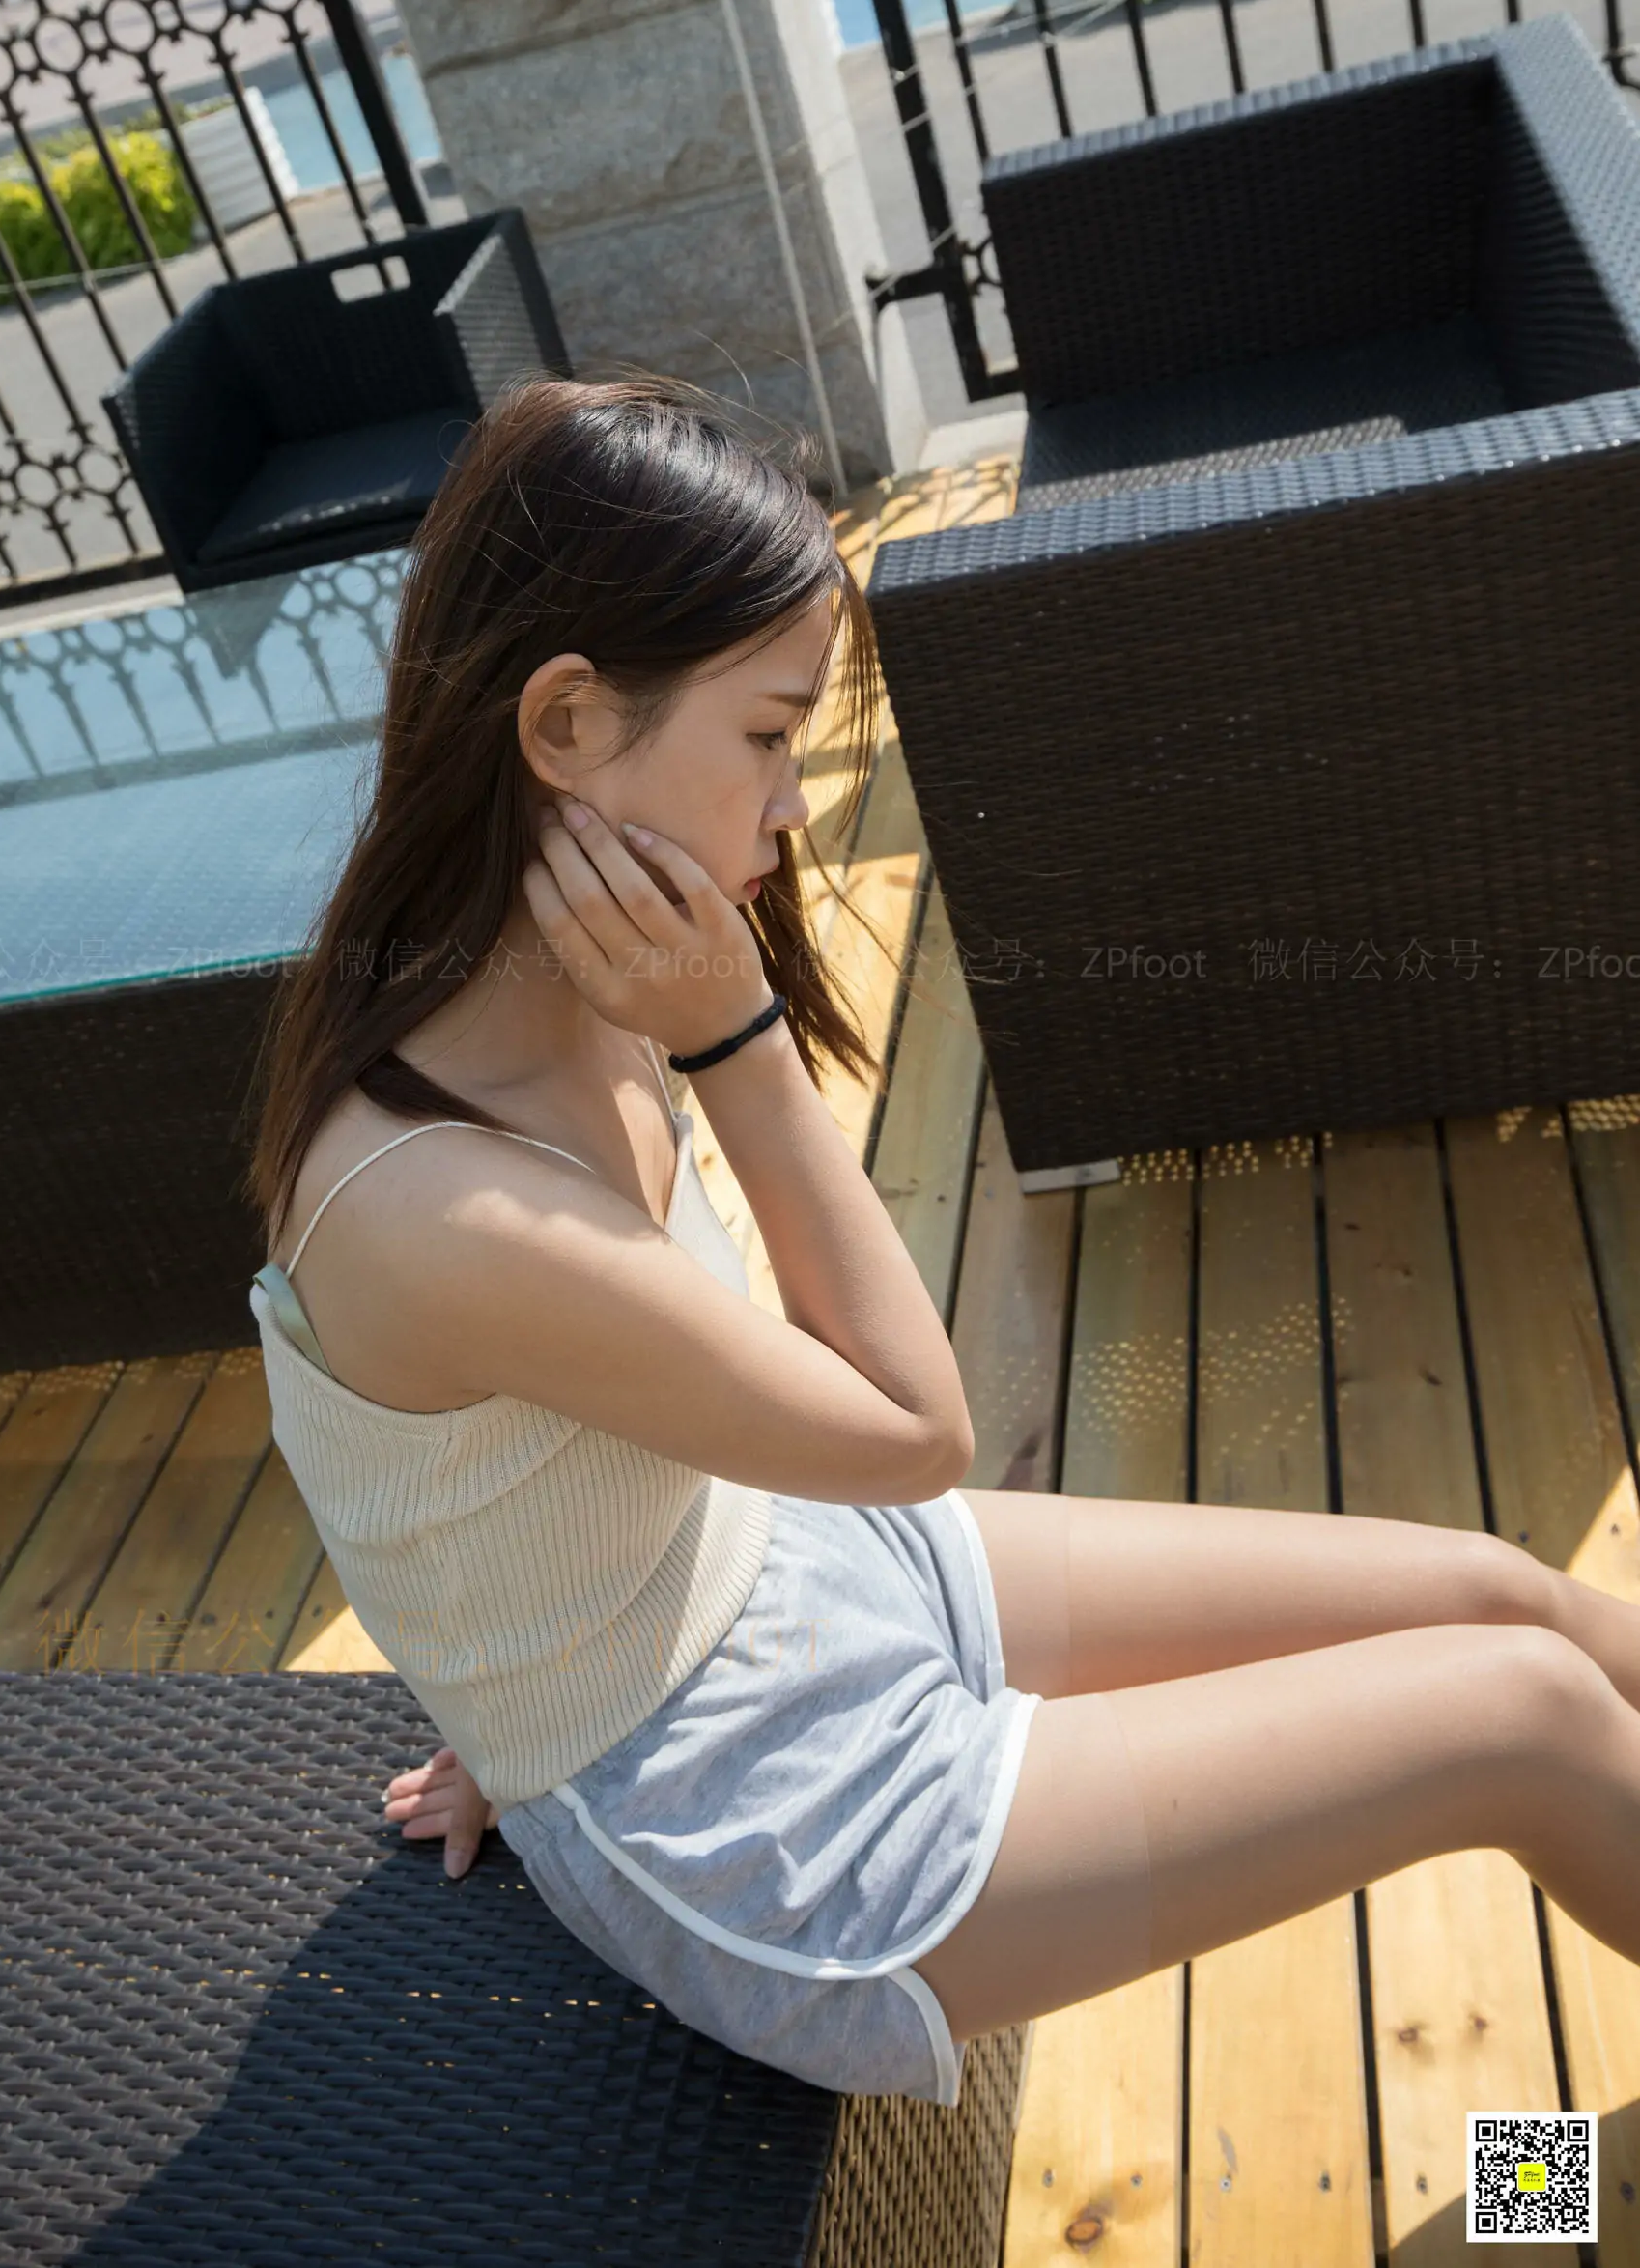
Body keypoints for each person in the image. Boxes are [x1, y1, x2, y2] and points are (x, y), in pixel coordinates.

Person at [245, 372, 1640, 2109]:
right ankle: (1549, 2183)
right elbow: (916, 1435)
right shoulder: (444, 1196)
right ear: (569, 723)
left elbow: (463, 1480)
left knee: (1505, 1592)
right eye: (769, 737)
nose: (796, 805)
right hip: (774, 1828)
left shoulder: (567, 973)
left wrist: (504, 1697)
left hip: (789, 1572)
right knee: (1520, 1718)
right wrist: (738, 1045)